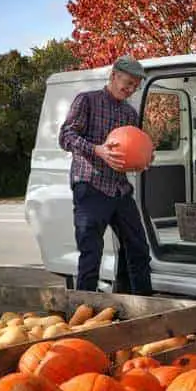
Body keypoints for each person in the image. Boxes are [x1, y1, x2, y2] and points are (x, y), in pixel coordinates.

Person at [58, 55, 153, 296]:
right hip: (90, 186)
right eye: (127, 83)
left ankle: (144, 308)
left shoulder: (130, 115)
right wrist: (97, 149)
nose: (130, 89)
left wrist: (143, 161)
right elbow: (66, 137)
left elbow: (132, 148)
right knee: (91, 253)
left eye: (135, 86)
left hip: (119, 189)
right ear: (113, 75)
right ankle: (83, 313)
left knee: (139, 249)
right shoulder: (87, 101)